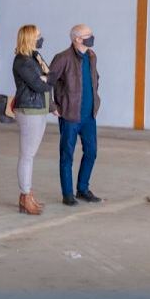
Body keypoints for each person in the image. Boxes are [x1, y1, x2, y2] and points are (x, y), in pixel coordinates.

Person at [48, 24, 102, 206]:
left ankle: (83, 189)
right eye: (88, 35)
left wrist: (96, 100)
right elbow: (48, 82)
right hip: (70, 115)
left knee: (91, 152)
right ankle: (68, 194)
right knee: (67, 155)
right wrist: (52, 105)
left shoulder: (91, 56)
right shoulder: (62, 58)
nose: (91, 37)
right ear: (77, 39)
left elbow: (95, 78)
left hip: (89, 116)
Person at [11, 25, 52, 215]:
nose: (41, 38)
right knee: (27, 155)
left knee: (30, 155)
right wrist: (45, 79)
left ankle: (27, 195)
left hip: (39, 108)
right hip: (29, 109)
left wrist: (46, 78)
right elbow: (39, 85)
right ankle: (25, 195)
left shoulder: (34, 57)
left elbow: (49, 77)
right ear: (29, 38)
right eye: (38, 36)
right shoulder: (22, 61)